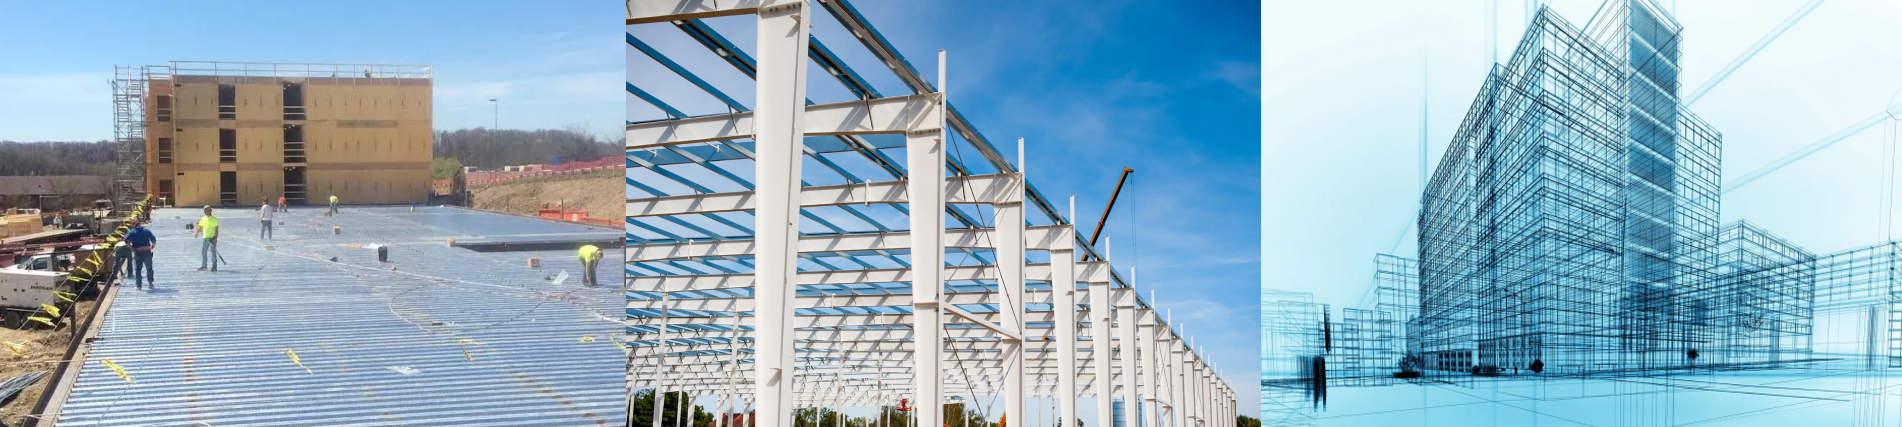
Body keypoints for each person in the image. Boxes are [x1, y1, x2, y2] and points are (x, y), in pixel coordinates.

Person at [125, 220, 157, 289]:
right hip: (147, 251)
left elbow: (126, 240)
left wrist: (131, 247)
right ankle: (150, 284)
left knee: (138, 270)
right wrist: (152, 246)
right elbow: (154, 240)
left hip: (138, 252)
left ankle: (139, 286)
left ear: (133, 225)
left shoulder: (131, 232)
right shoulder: (146, 231)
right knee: (149, 268)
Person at [193, 206, 220, 271]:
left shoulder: (214, 219)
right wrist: (197, 232)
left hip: (212, 238)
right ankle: (204, 266)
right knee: (204, 252)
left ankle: (214, 267)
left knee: (213, 253)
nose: (205, 211)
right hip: (205, 238)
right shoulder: (203, 218)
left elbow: (216, 230)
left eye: (206, 210)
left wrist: (215, 238)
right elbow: (201, 226)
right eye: (204, 210)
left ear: (210, 210)